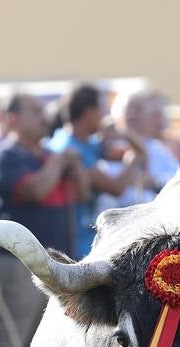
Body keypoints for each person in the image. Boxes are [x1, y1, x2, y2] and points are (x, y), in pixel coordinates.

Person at [0, 92, 83, 347]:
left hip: (55, 264)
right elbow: (36, 191)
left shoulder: (53, 157)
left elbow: (81, 193)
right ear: (11, 119)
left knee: (46, 340)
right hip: (17, 264)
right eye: (35, 111)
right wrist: (58, 162)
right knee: (8, 337)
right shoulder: (5, 157)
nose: (45, 117)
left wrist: (74, 165)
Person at [47, 82, 145, 257]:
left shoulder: (85, 143)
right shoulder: (68, 147)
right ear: (89, 112)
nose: (104, 115)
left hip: (84, 239)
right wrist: (132, 161)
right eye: (101, 109)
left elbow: (140, 152)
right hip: (74, 245)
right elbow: (116, 188)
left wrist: (121, 133)